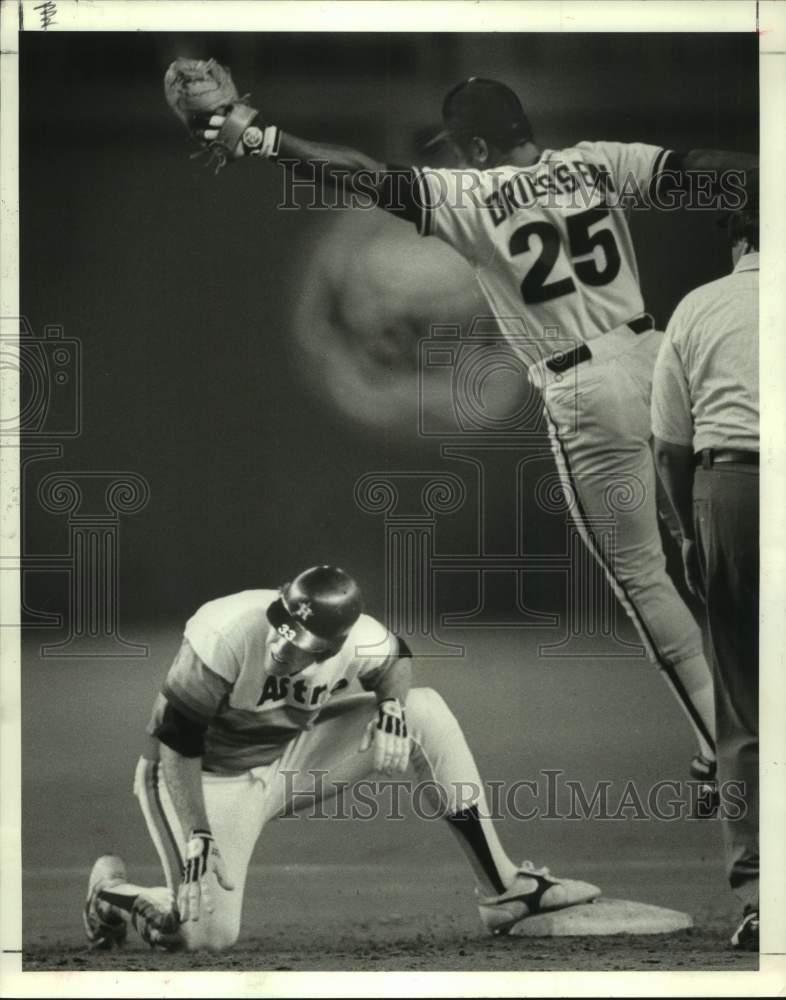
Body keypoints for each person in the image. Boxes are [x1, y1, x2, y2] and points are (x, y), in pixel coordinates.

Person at [195, 76, 759, 787]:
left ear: (482, 148)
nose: (457, 158)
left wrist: (264, 138)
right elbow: (700, 170)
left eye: (461, 147)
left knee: (644, 580)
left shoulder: (471, 195)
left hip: (583, 385)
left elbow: (363, 175)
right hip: (655, 356)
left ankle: (720, 746)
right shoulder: (598, 161)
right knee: (717, 555)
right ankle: (747, 718)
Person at [83, 565, 600, 952]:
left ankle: (505, 889)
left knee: (424, 711)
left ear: (333, 648)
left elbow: (396, 658)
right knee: (202, 937)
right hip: (201, 778)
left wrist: (392, 707)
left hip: (286, 759)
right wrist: (199, 831)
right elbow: (176, 743)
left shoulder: (358, 638)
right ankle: (113, 893)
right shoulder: (225, 631)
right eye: (282, 626)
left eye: (301, 643)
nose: (282, 646)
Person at [651, 176, 760, 952]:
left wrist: (688, 536)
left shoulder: (699, 306)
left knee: (745, 708)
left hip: (735, 489)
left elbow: (669, 446)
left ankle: (761, 897)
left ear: (740, 238)